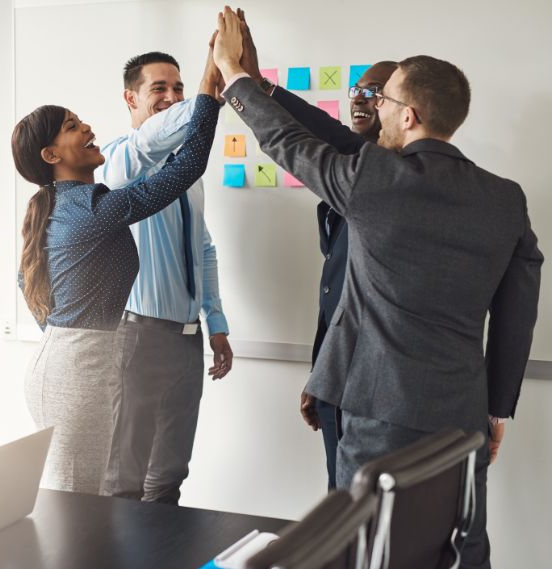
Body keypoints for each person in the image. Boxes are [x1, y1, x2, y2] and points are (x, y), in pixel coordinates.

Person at [213, 7, 543, 568]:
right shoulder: (504, 198)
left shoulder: (374, 179)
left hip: (378, 409)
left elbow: (287, 143)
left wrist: (234, 78)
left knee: (367, 550)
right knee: (460, 548)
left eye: (384, 98)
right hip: (461, 412)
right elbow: (519, 311)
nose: (374, 106)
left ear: (409, 115)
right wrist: (497, 408)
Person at [11, 46, 222, 495]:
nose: (87, 127)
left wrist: (61, 333)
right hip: (78, 368)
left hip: (82, 358)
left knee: (93, 500)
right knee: (83, 502)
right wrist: (209, 87)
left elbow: (25, 277)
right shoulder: (95, 202)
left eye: (79, 119)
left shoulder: (80, 204)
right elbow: (187, 163)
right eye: (72, 127)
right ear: (52, 155)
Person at [232, 9, 396, 489]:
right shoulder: (353, 174)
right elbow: (338, 294)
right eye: (357, 91)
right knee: (339, 505)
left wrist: (244, 82)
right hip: (336, 377)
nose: (360, 99)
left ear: (407, 108)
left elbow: (304, 134)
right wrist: (321, 373)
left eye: (375, 92)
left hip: (374, 391)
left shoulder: (393, 175)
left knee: (364, 518)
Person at [96, 51, 233, 505]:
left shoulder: (187, 172)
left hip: (185, 339)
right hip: (137, 337)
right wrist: (209, 88)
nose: (172, 98)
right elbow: (149, 143)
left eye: (178, 88)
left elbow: (204, 247)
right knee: (126, 475)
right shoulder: (118, 162)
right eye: (159, 89)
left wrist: (216, 323)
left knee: (171, 471)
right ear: (129, 98)